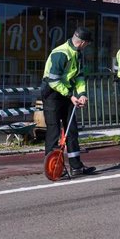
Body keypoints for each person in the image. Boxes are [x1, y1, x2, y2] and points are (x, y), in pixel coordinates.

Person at [41, 26, 96, 176]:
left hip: (67, 94)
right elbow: (53, 80)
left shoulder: (77, 54)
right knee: (53, 131)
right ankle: (54, 169)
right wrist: (71, 95)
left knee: (71, 131)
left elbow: (79, 76)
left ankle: (76, 166)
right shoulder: (61, 53)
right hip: (52, 94)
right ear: (83, 42)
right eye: (88, 44)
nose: (88, 46)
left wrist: (82, 93)